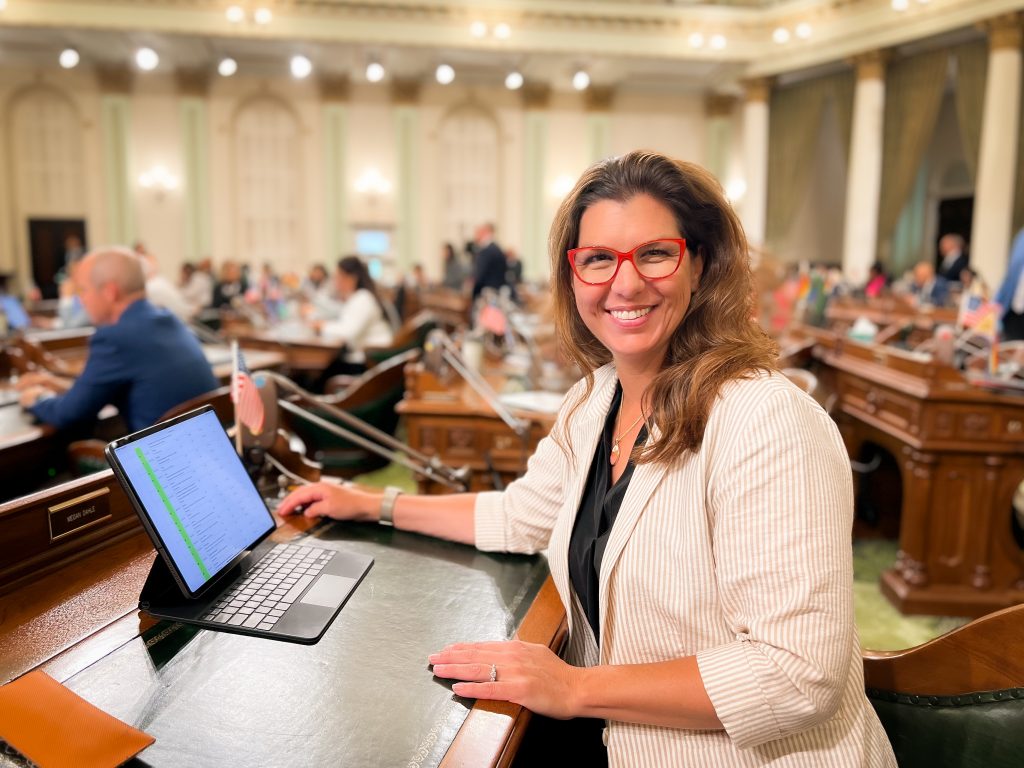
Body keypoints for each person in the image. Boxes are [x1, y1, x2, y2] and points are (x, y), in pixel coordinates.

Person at [278, 151, 895, 766]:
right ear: (573, 278)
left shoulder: (765, 420)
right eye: (598, 259)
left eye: (655, 254)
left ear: (700, 266)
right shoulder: (597, 398)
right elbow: (521, 515)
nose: (625, 284)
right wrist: (372, 503)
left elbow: (795, 675)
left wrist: (572, 687)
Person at [18, 247, 219, 433]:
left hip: (157, 464)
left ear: (110, 292)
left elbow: (70, 415)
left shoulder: (114, 338)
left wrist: (36, 398)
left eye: (84, 290)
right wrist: (58, 384)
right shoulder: (167, 319)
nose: (82, 299)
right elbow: (103, 391)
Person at [316, 255, 394, 380]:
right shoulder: (359, 297)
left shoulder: (363, 298)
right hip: (368, 359)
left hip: (369, 363)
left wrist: (321, 326)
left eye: (338, 277)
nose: (335, 282)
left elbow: (348, 333)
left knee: (321, 376)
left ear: (351, 278)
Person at [471, 222, 509, 300]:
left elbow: (480, 276)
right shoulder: (495, 248)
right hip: (494, 291)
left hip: (489, 293)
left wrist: (474, 294)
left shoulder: (487, 251)